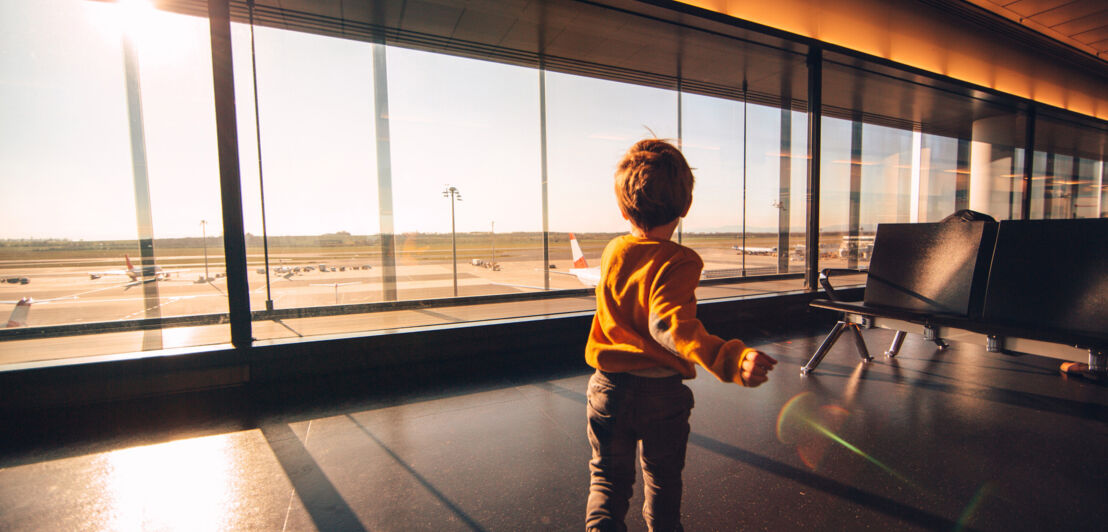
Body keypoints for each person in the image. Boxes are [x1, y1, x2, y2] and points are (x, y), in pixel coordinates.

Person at [585, 139, 778, 531]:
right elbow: (669, 323)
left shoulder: (611, 251)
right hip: (660, 395)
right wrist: (730, 358)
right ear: (686, 208)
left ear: (623, 209)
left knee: (607, 480)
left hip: (607, 389)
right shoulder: (680, 260)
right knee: (663, 482)